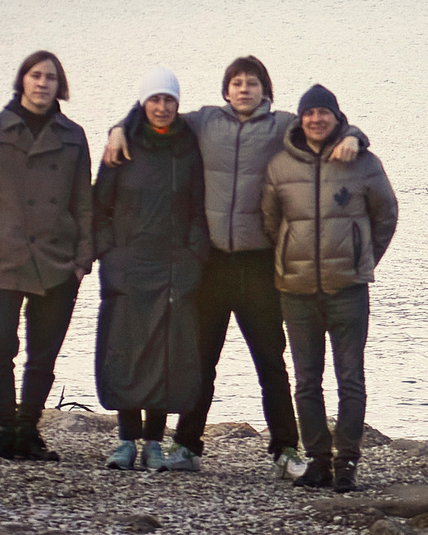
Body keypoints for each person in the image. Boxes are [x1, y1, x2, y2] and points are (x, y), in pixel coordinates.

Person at [102, 57, 364, 478]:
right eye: (237, 83)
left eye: (253, 83)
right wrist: (118, 127)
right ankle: (187, 446)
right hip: (213, 263)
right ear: (225, 91)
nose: (244, 90)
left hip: (259, 264)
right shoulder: (204, 122)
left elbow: (325, 125)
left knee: (271, 362)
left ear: (266, 90)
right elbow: (154, 113)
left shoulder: (281, 126)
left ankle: (285, 450)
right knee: (201, 359)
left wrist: (354, 134)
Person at [261, 84, 398, 493]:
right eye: (309, 113)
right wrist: (288, 256)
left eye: (324, 113)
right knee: (306, 380)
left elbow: (386, 215)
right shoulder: (281, 166)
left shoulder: (363, 162)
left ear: (337, 118)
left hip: (348, 291)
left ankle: (347, 464)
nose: (316, 119)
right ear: (300, 119)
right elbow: (270, 221)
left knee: (350, 378)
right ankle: (318, 461)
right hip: (296, 290)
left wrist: (362, 260)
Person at [0, 50, 95, 461]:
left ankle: (28, 431)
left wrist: (82, 260)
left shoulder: (73, 135)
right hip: (5, 258)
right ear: (22, 80)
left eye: (51, 78)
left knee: (44, 353)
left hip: (58, 260)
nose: (42, 83)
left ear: (61, 85)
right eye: (35, 76)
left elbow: (84, 203)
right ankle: (4, 429)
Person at [92, 68, 211, 472]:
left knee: (164, 353)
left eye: (169, 100)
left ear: (178, 105)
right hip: (128, 263)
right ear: (143, 103)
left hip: (174, 265)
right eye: (154, 100)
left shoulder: (187, 145)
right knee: (125, 351)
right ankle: (126, 440)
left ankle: (155, 444)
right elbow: (100, 207)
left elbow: (198, 207)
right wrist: (110, 253)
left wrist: (194, 256)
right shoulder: (123, 145)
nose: (161, 107)